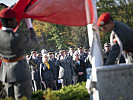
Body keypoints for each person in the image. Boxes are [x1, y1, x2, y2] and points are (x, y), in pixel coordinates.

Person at [0, 8, 38, 100]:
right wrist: (29, 25)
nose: (16, 21)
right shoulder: (17, 38)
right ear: (9, 22)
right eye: (14, 19)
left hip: (5, 74)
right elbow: (34, 43)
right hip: (20, 74)